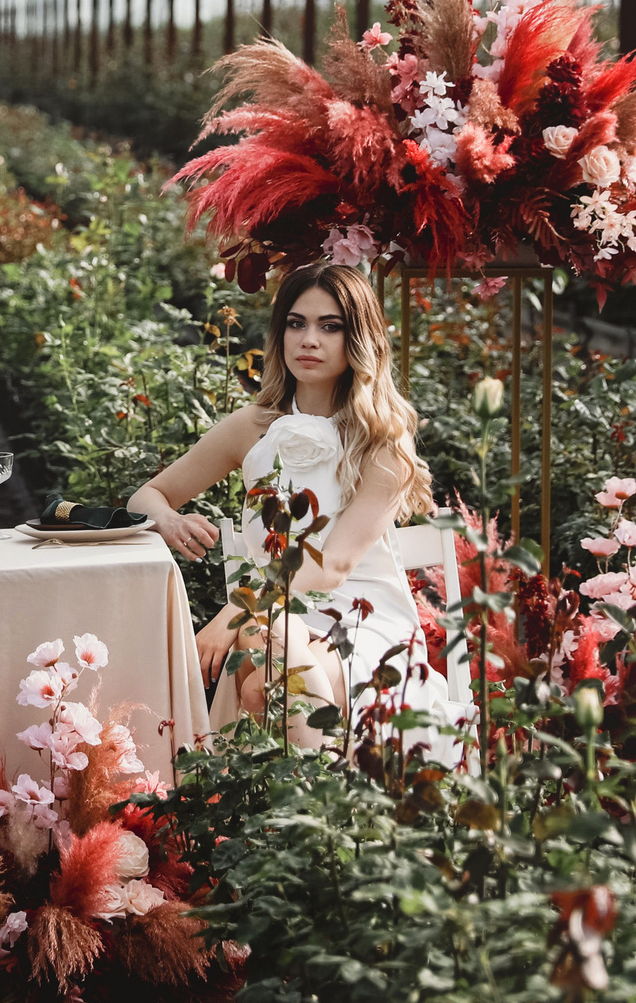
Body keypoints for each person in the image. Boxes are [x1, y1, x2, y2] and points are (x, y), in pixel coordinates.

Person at [125, 260, 466, 753]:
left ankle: (305, 794)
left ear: (359, 339)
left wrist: (233, 612)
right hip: (272, 616)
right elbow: (147, 495)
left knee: (261, 687)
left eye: (330, 327)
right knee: (275, 639)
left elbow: (334, 567)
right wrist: (168, 519)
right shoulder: (251, 427)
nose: (309, 340)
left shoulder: (383, 440)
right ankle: (321, 795)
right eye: (296, 323)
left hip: (360, 620)